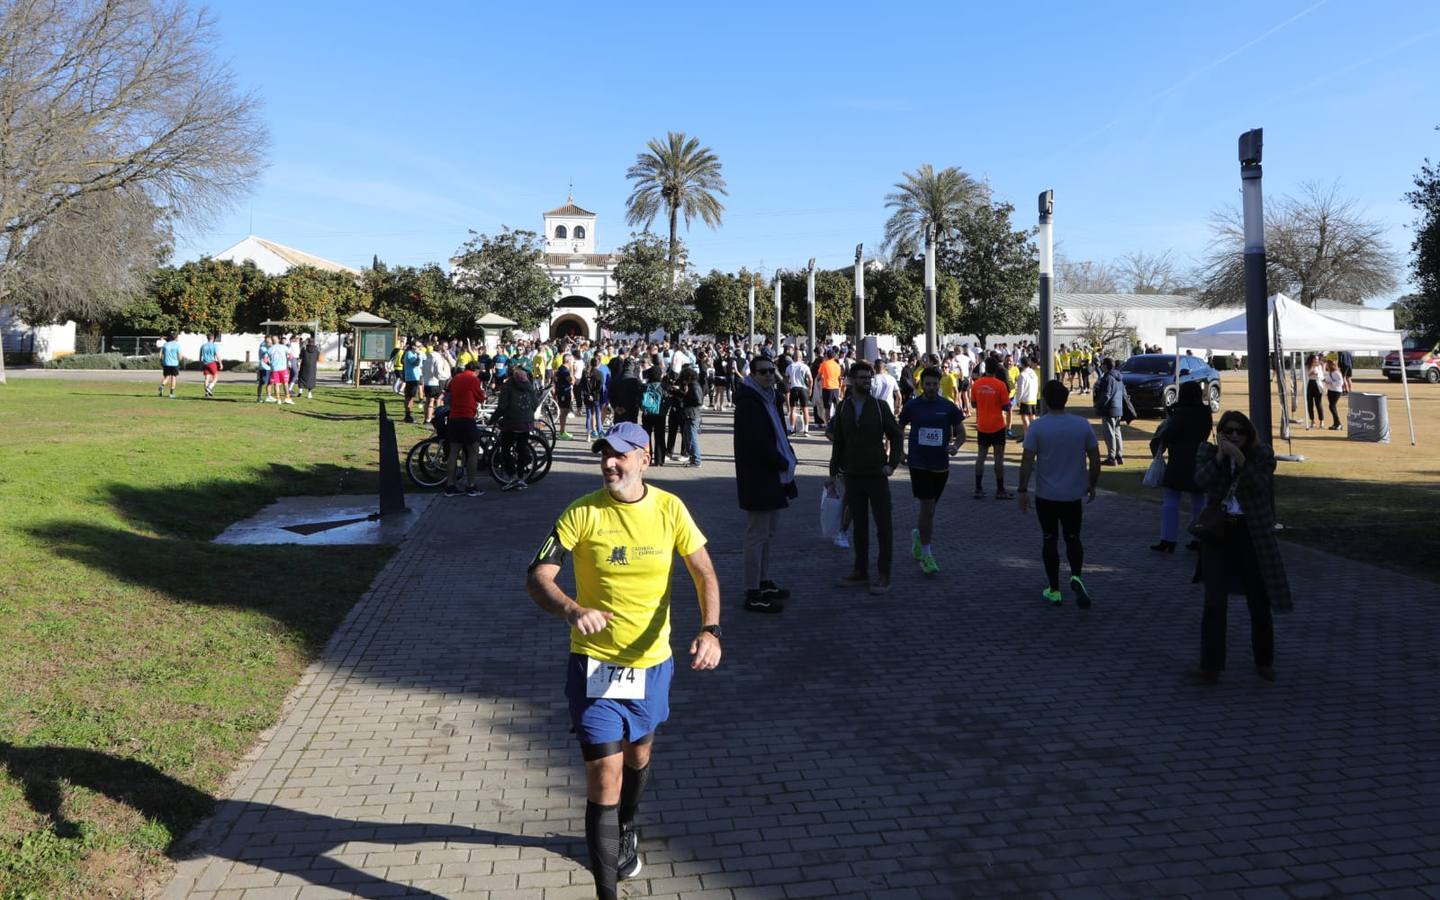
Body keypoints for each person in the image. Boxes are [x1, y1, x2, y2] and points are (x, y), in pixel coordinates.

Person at [525, 422, 722, 900]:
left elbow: (704, 573)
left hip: (651, 664)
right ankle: (607, 891)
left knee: (638, 756)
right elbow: (538, 576)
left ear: (643, 459)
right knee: (603, 775)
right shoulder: (581, 513)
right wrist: (571, 608)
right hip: (593, 666)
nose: (610, 464)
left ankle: (627, 825)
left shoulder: (671, 509)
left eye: (620, 455)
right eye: (604, 455)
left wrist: (710, 629)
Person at [1188, 410, 1292, 683]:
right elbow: (1200, 481)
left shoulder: (1262, 455)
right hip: (1219, 532)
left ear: (1249, 434)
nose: (1234, 436)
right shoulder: (1208, 453)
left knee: (1259, 600)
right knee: (1214, 601)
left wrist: (1240, 460)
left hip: (1251, 531)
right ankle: (1210, 665)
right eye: (1228, 431)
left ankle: (1264, 660)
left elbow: (1260, 484)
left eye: (1239, 432)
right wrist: (1222, 456)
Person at [1018, 380, 1102, 608]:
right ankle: (1076, 576)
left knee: (1049, 539)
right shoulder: (1081, 425)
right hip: (1073, 494)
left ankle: (1054, 588)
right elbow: (1095, 459)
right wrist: (1092, 484)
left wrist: (1022, 489)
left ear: (1044, 400)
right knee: (1073, 537)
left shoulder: (1037, 426)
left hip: (1046, 495)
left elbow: (1027, 460)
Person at [826, 361, 903, 595]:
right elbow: (837, 442)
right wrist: (833, 474)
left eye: (868, 378)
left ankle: (883, 573)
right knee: (859, 526)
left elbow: (896, 436)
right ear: (851, 380)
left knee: (883, 526)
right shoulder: (843, 408)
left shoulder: (880, 407)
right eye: (861, 378)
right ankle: (860, 571)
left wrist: (891, 465)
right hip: (852, 475)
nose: (866, 382)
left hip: (876, 474)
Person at [732, 355, 797, 613]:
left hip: (774, 475)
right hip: (759, 476)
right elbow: (758, 442)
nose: (770, 375)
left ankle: (763, 580)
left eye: (772, 371)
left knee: (768, 535)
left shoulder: (771, 398)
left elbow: (779, 432)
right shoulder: (749, 403)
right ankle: (753, 591)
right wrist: (781, 461)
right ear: (753, 375)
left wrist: (788, 456)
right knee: (756, 536)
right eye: (764, 372)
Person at [898, 367, 966, 575]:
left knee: (930, 509)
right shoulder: (912, 406)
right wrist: (900, 451)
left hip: (940, 465)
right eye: (927, 384)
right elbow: (898, 428)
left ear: (939, 384)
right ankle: (927, 554)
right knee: (927, 508)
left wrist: (956, 446)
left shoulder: (948, 407)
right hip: (918, 463)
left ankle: (919, 534)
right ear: (921, 385)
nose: (931, 388)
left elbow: (961, 432)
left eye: (934, 384)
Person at [1149, 381, 1212, 553]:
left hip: (1179, 459)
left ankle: (1168, 539)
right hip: (1199, 458)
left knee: (1170, 502)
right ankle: (1198, 538)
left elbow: (1169, 434)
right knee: (1199, 502)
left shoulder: (1180, 413)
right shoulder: (1205, 412)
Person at [969, 358, 1013, 499]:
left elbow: (974, 404)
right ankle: (1000, 490)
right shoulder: (1000, 385)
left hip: (982, 425)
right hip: (998, 425)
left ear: (985, 368)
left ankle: (978, 488)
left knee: (980, 457)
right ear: (997, 369)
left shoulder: (977, 384)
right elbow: (1006, 406)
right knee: (998, 458)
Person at [494, 363, 541, 490]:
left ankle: (512, 476)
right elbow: (536, 404)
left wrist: (493, 419)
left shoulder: (507, 386)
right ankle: (521, 478)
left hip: (512, 422)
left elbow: (502, 406)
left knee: (505, 448)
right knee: (521, 449)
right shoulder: (528, 385)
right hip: (526, 423)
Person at [442, 361, 486, 497]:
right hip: (467, 417)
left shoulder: (456, 378)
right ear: (476, 370)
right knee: (473, 450)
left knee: (454, 452)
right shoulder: (473, 379)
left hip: (454, 417)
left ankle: (450, 485)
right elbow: (481, 397)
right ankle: (471, 485)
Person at [1092, 357, 1128, 465]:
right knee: (1117, 432)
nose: (1101, 366)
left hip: (1109, 409)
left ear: (1106, 366)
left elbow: (1106, 394)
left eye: (1103, 364)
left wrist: (1098, 405)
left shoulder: (1107, 378)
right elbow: (1124, 394)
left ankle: (1111, 457)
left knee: (1109, 433)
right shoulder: (1119, 377)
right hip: (1118, 408)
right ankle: (1119, 455)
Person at [640, 362, 667, 465]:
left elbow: (640, 400)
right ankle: (659, 460)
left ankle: (648, 458)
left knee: (647, 437)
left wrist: (642, 408)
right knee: (660, 437)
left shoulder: (645, 386)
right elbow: (667, 399)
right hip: (660, 414)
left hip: (647, 414)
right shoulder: (663, 387)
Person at [678, 365, 704, 467]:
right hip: (691, 414)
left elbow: (698, 401)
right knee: (687, 437)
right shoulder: (693, 385)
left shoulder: (694, 386)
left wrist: (686, 397)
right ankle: (693, 458)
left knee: (692, 438)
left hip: (692, 414)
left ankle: (696, 460)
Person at [785, 352, 813, 436]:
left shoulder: (789, 366)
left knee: (792, 409)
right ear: (801, 357)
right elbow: (810, 379)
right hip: (802, 388)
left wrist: (789, 384)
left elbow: (786, 379)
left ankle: (792, 429)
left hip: (793, 388)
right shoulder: (805, 367)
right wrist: (810, 389)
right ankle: (806, 430)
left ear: (793, 357)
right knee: (805, 409)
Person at [816, 349, 843, 423]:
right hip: (836, 388)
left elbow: (818, 377)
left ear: (827, 356)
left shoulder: (824, 364)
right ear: (834, 356)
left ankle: (828, 425)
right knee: (837, 407)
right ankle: (838, 423)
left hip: (827, 388)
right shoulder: (838, 366)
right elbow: (839, 378)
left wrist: (821, 379)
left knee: (827, 408)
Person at [1015, 356, 1039, 437]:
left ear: (1022, 364)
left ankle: (1028, 435)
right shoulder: (1033, 373)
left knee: (1025, 417)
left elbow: (1020, 389)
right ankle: (1034, 434)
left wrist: (1018, 400)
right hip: (1033, 398)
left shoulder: (1023, 374)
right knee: (1032, 417)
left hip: (1026, 399)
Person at [267, 335, 293, 405]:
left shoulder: (269, 349)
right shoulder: (284, 347)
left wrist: (271, 364)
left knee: (276, 384)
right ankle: (287, 398)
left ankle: (278, 399)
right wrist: (289, 360)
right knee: (285, 383)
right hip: (283, 369)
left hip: (275, 369)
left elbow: (265, 360)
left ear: (272, 341)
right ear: (279, 340)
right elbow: (291, 356)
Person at [401, 340, 423, 423]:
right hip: (411, 378)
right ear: (413, 346)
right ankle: (408, 415)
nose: (419, 348)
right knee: (409, 397)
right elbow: (415, 364)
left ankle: (409, 414)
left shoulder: (412, 354)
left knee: (410, 397)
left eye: (420, 346)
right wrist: (418, 355)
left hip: (414, 378)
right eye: (418, 346)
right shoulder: (409, 353)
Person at [554, 354, 575, 439]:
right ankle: (562, 432)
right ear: (568, 360)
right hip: (564, 393)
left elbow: (554, 378)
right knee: (564, 412)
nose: (572, 362)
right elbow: (572, 381)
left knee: (564, 412)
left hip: (562, 392)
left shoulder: (560, 368)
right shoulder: (565, 371)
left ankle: (562, 431)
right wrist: (572, 371)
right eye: (571, 361)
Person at [158, 332, 182, 398]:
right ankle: (171, 393)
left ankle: (162, 385)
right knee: (173, 378)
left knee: (166, 377)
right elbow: (180, 356)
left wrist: (161, 361)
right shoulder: (177, 345)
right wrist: (179, 360)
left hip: (166, 363)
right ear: (176, 338)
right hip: (174, 363)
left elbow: (160, 354)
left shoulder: (165, 345)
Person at [1305, 353, 1326, 430]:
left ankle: (1321, 421)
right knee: (1310, 404)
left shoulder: (1319, 367)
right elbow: (1303, 376)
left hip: (1317, 386)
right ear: (1311, 359)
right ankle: (1312, 421)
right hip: (1309, 385)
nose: (1317, 360)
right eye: (1315, 359)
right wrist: (1311, 372)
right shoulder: (1306, 367)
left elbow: (1322, 376)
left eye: (1317, 359)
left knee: (1318, 404)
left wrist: (1317, 374)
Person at [1323, 358, 1345, 430]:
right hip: (1330, 390)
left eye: (1327, 364)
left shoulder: (1336, 373)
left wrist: (1331, 383)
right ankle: (1336, 424)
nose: (1326, 366)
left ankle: (1338, 424)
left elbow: (1341, 383)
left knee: (1332, 407)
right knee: (1332, 407)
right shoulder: (1330, 372)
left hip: (1336, 391)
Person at [198, 332, 222, 398]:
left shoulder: (203, 346)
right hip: (211, 363)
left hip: (205, 363)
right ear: (213, 338)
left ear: (207, 338)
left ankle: (206, 393)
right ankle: (209, 387)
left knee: (206, 378)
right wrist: (220, 363)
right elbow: (217, 355)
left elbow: (200, 356)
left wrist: (200, 364)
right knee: (216, 377)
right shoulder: (214, 346)